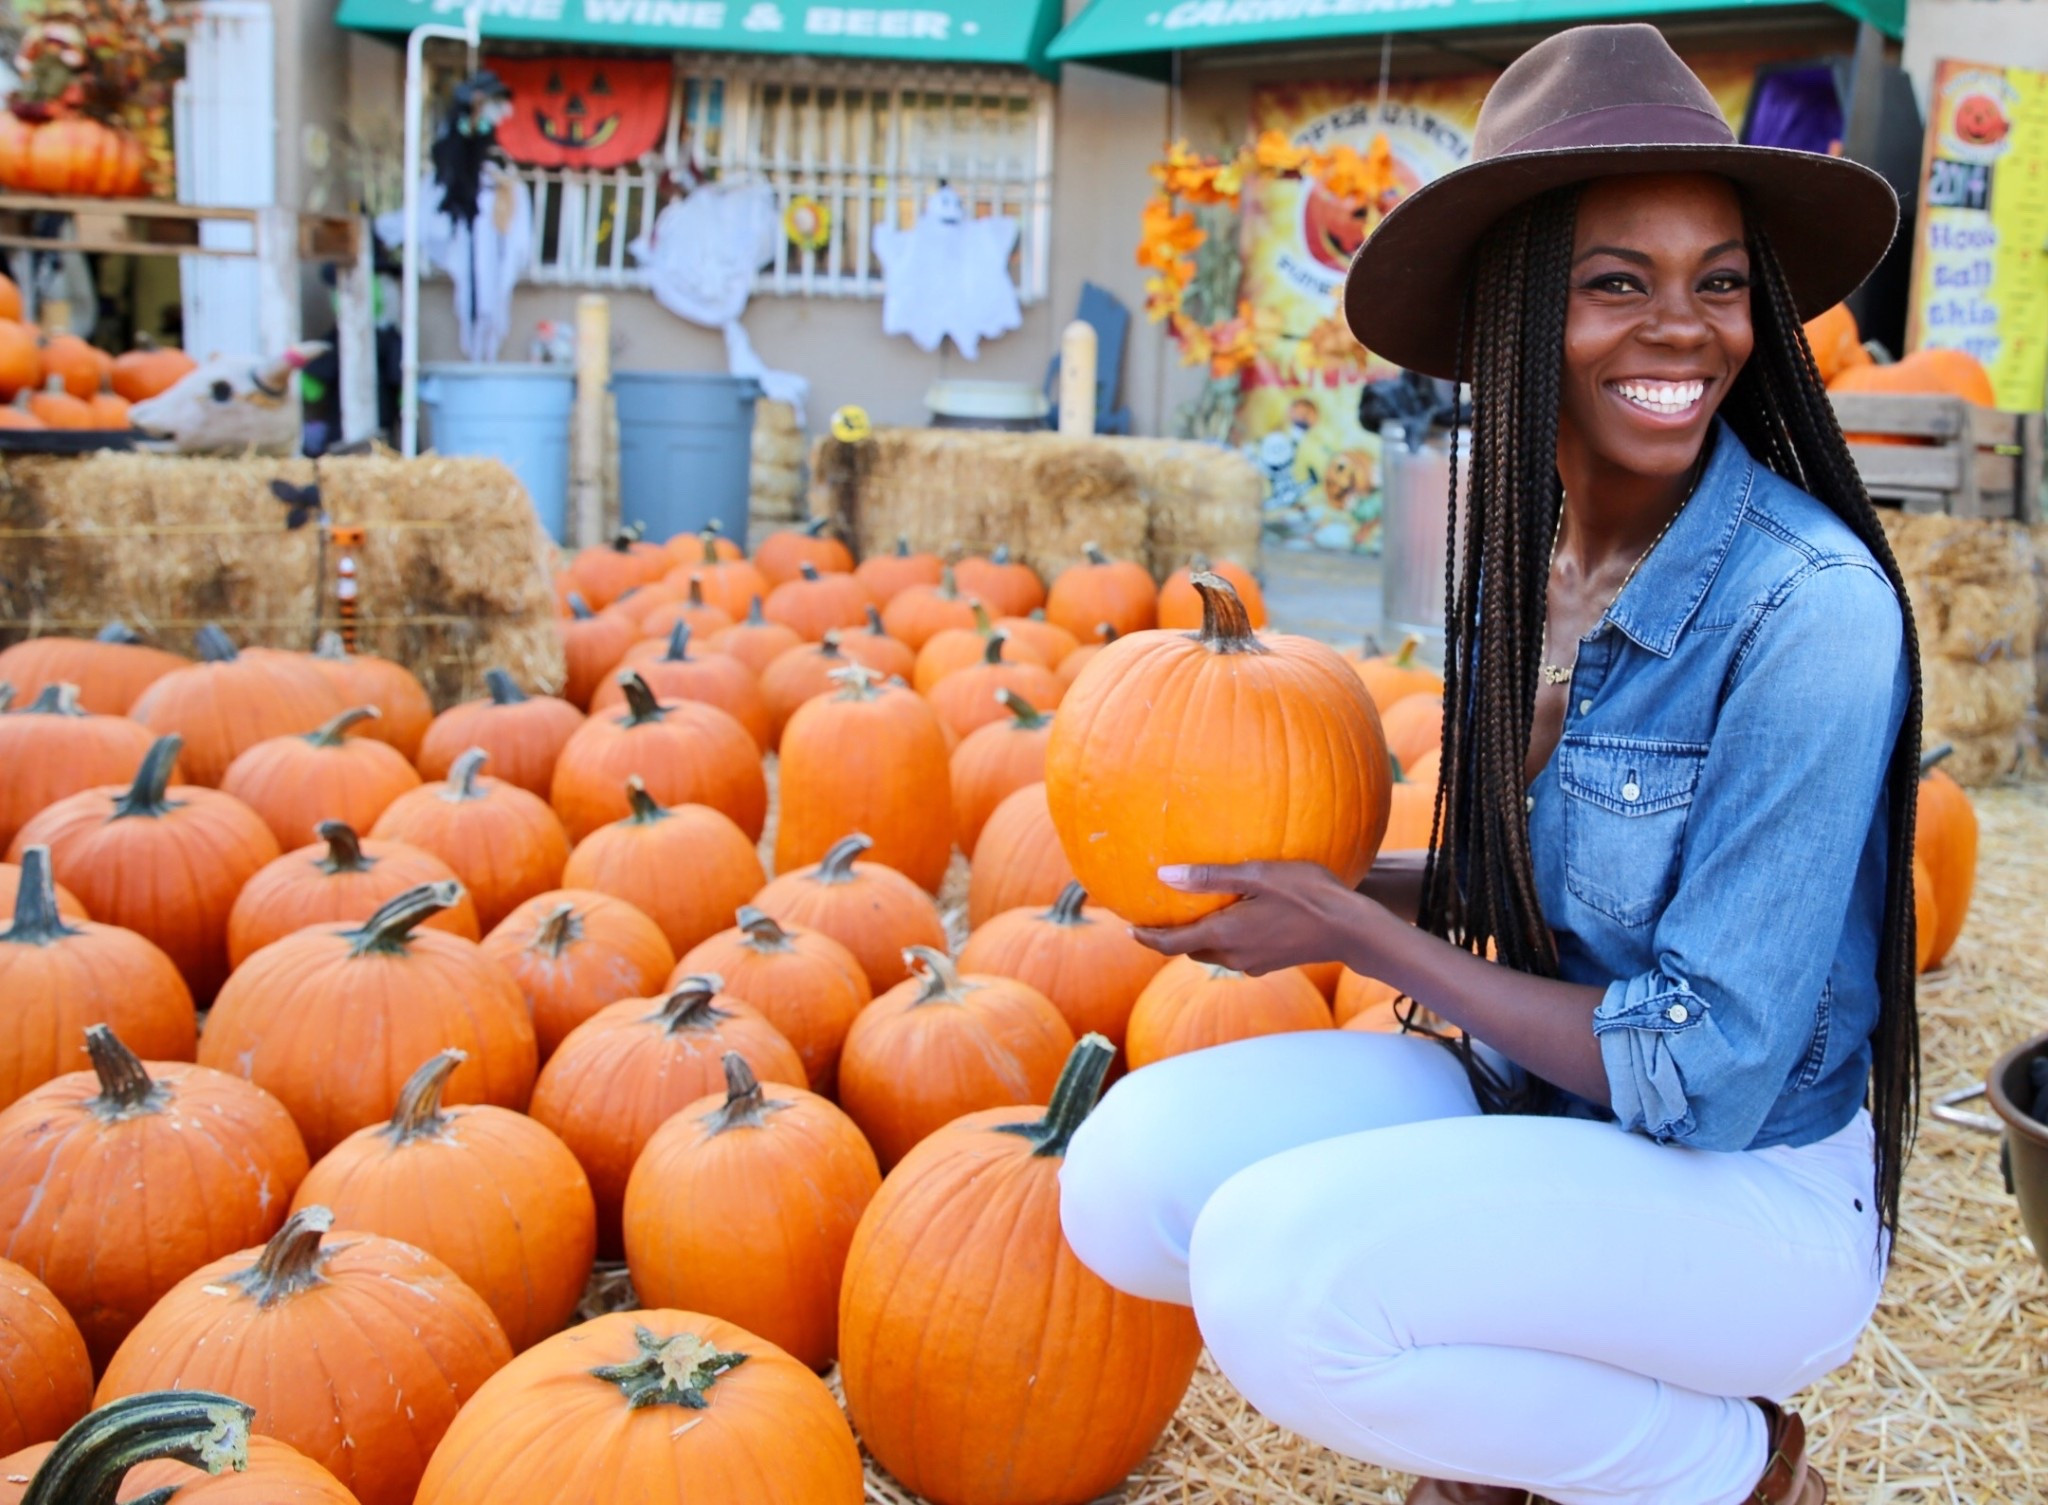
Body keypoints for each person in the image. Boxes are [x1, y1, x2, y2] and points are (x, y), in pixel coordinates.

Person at [1058, 24, 1918, 1505]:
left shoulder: (1808, 605)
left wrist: (1359, 928)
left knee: (1280, 1276)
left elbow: (1699, 1066)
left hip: (1750, 1196)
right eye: (1615, 281)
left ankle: (1730, 1461)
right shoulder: (1525, 559)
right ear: (1521, 313)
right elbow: (1535, 888)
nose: (1683, 326)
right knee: (1124, 1179)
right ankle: (1525, 1428)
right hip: (1548, 1114)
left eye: (1718, 280)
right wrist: (1315, 885)